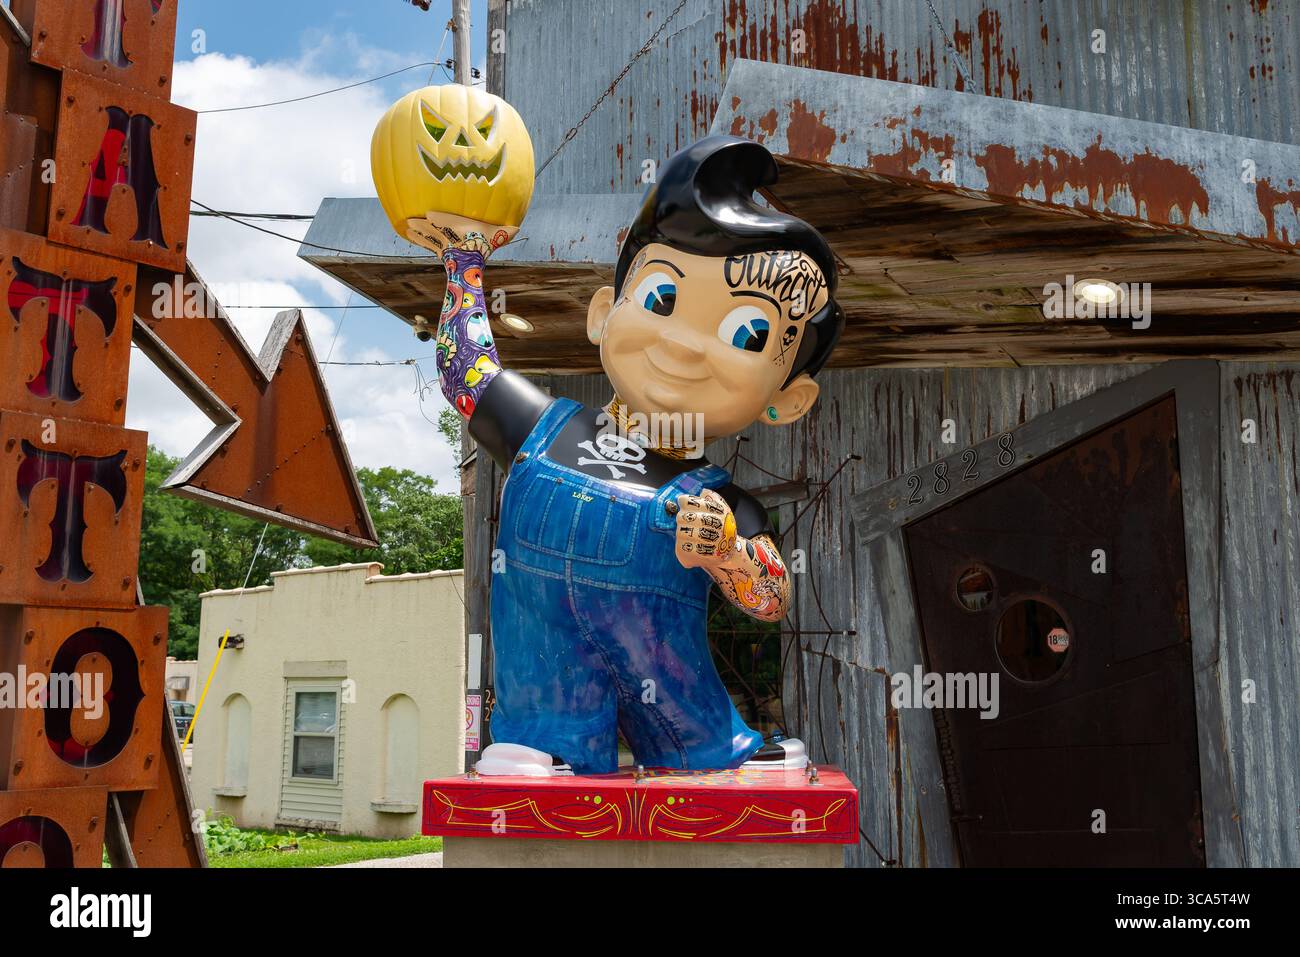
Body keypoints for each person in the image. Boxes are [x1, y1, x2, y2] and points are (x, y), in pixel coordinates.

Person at [433, 135, 843, 776]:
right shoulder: (540, 426)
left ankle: (714, 748)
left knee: (699, 739)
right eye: (661, 298)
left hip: (677, 696)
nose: (682, 345)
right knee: (539, 734)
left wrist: (727, 553)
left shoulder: (719, 497)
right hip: (543, 691)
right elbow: (468, 373)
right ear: (604, 313)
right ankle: (542, 741)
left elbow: (771, 598)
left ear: (788, 399)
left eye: (747, 332)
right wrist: (464, 258)